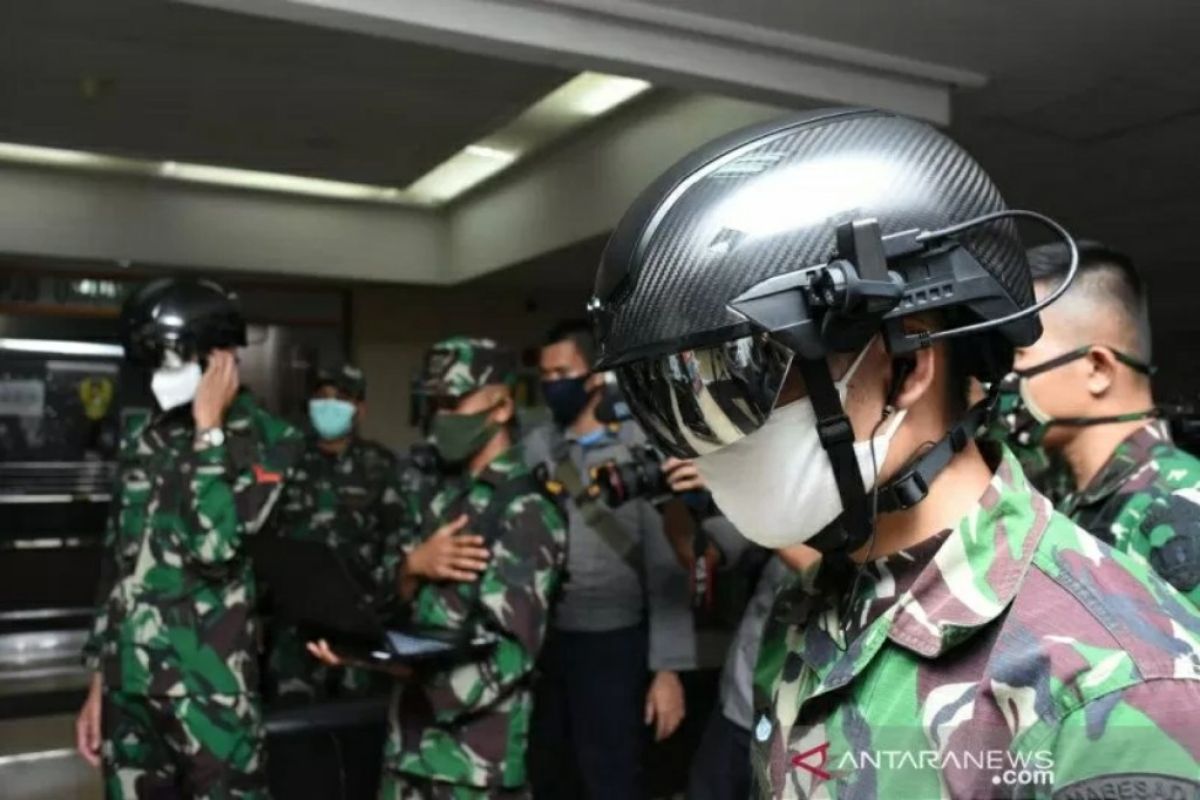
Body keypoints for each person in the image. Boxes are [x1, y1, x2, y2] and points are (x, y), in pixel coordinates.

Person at [588, 108, 1200, 797]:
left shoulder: (1116, 691)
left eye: (753, 388)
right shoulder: (814, 602)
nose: (715, 443)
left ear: (907, 369)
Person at [75, 277, 304, 798]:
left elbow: (215, 549)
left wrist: (209, 432)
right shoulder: (146, 437)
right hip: (128, 687)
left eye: (173, 361)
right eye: (154, 362)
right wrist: (99, 684)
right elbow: (118, 567)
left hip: (209, 693)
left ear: (218, 357)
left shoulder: (271, 442)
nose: (161, 376)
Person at [311, 336, 567, 799]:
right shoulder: (439, 497)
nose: (442, 417)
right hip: (405, 752)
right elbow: (394, 603)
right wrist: (412, 568)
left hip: (473, 766)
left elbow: (509, 653)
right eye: (435, 403)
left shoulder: (527, 510)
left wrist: (416, 682)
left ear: (503, 407)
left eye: (455, 401)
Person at [523, 321, 695, 799]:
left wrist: (668, 671)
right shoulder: (537, 447)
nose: (553, 383)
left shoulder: (638, 449)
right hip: (546, 641)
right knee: (549, 770)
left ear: (595, 375)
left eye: (564, 371)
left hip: (614, 645)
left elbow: (666, 565)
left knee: (610, 777)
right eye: (546, 374)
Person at [991, 241, 1200, 605]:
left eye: (1019, 355)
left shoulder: (1178, 508)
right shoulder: (1062, 496)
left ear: (1098, 369)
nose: (1006, 376)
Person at [265, 362, 407, 701]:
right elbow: (267, 537)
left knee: (357, 722)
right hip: (295, 626)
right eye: (321, 397)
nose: (328, 405)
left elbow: (398, 539)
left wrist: (384, 606)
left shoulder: (381, 466)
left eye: (340, 398)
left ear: (359, 408)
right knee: (293, 726)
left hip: (359, 626)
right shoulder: (288, 463)